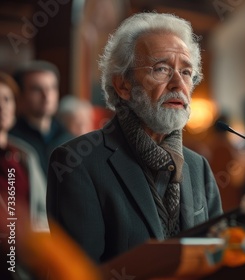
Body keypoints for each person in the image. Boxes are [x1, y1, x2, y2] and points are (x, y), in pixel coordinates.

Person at [46, 13, 223, 263]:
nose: (177, 84)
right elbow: (80, 273)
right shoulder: (77, 163)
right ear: (123, 85)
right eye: (161, 69)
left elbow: (218, 258)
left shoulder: (198, 167)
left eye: (186, 72)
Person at [0, 72, 48, 231]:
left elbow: (42, 209)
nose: (2, 106)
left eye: (7, 99)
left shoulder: (25, 155)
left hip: (22, 249)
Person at [10, 60, 73, 175]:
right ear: (21, 95)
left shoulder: (70, 138)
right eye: (36, 89)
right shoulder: (11, 140)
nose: (46, 95)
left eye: (52, 88)